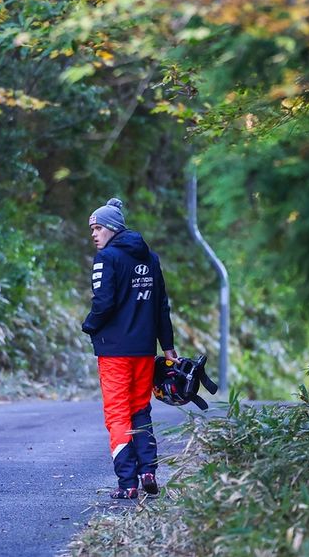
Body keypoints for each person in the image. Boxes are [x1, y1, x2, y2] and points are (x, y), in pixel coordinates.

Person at [82, 197, 177, 499]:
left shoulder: (107, 259)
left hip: (114, 352)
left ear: (111, 228)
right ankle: (148, 469)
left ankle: (127, 484)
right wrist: (169, 346)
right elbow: (161, 305)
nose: (94, 235)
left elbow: (103, 302)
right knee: (140, 409)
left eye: (97, 228)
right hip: (144, 351)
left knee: (117, 414)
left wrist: (90, 325)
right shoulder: (150, 257)